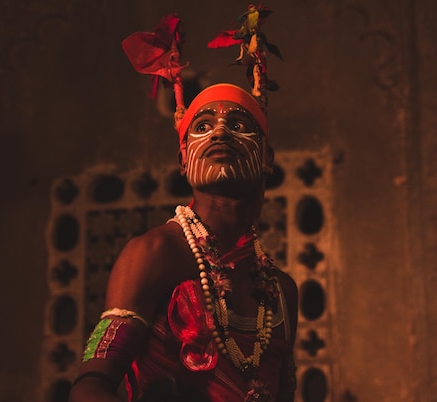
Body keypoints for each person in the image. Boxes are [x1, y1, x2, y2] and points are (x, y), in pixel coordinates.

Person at [69, 83, 298, 402]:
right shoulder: (154, 252)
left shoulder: (281, 293)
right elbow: (88, 389)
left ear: (266, 157)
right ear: (183, 158)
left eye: (237, 125)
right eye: (203, 126)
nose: (220, 134)